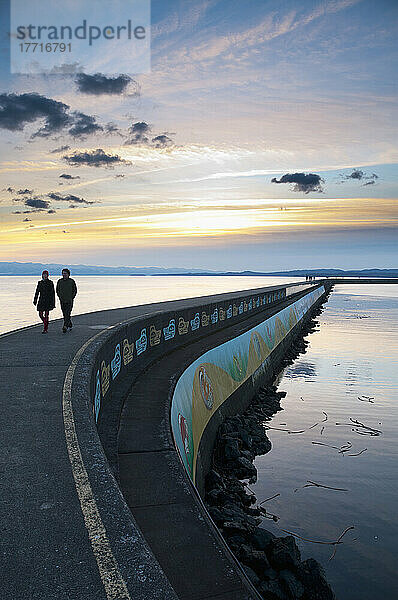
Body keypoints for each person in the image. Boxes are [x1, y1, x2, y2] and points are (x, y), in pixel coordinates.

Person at [56, 268, 77, 333]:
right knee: (65, 314)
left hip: (69, 300)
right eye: (63, 273)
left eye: (65, 273)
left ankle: (65, 326)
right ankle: (70, 324)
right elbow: (57, 290)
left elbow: (75, 290)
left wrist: (72, 297)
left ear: (68, 274)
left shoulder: (71, 281)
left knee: (68, 313)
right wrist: (60, 296)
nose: (64, 275)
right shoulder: (60, 281)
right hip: (62, 300)